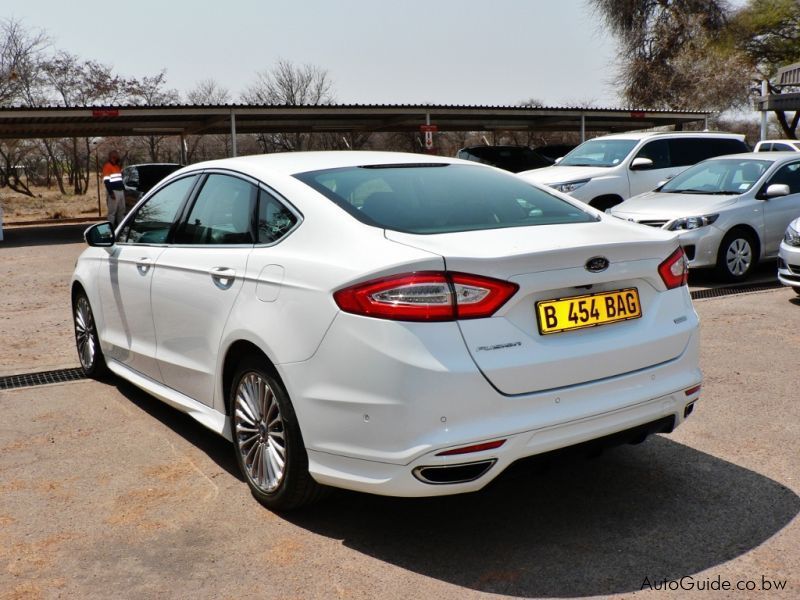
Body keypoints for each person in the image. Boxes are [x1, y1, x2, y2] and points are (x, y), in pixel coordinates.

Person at [101, 150, 125, 228]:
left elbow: (119, 179)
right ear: (112, 156)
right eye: (117, 154)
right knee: (112, 212)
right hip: (114, 192)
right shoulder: (107, 166)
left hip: (120, 191)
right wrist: (111, 193)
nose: (118, 156)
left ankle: (120, 228)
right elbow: (106, 181)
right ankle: (110, 229)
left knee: (121, 211)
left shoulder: (117, 166)